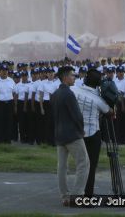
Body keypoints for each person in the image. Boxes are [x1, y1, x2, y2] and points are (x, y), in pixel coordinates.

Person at [50, 65, 89, 205]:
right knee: (83, 163)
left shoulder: (55, 94)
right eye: (72, 75)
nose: (74, 78)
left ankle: (65, 196)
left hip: (59, 134)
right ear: (65, 77)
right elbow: (77, 116)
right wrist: (81, 130)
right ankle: (77, 195)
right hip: (72, 135)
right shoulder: (68, 93)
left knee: (62, 167)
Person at [73, 68, 111, 196]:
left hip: (77, 134)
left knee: (80, 166)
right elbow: (109, 112)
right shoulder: (99, 100)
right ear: (99, 84)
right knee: (91, 166)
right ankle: (88, 195)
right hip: (93, 134)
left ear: (84, 79)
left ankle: (77, 193)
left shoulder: (74, 90)